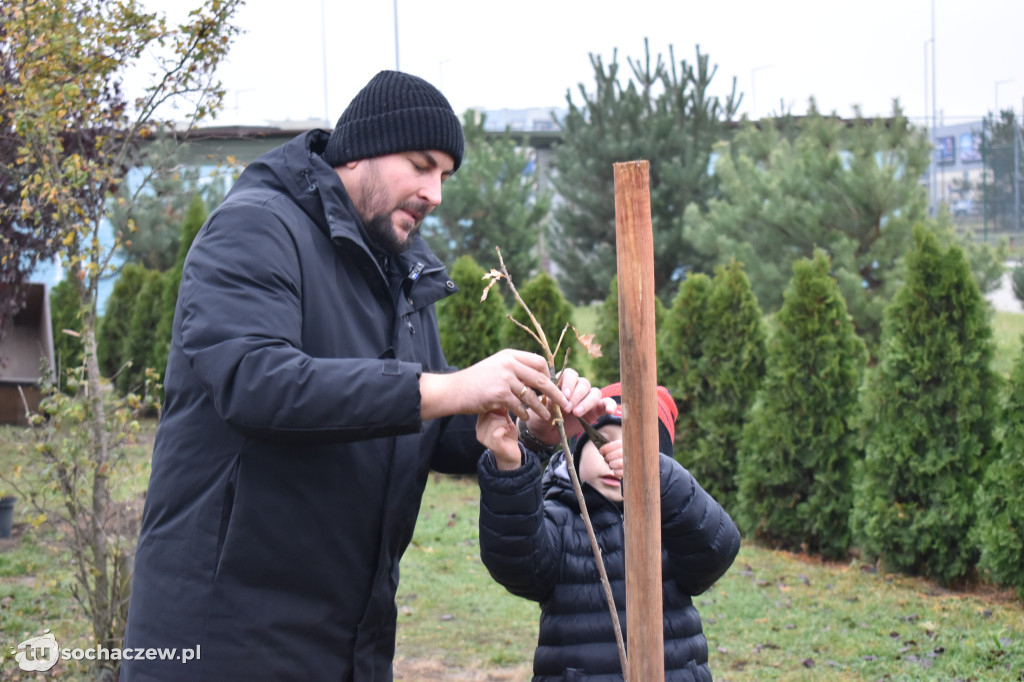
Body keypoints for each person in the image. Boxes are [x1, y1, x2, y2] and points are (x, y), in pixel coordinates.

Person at [120, 70, 606, 681]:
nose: (435, 193)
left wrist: (520, 423)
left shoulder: (401, 272)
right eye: (420, 164)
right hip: (225, 635)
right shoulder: (256, 229)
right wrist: (453, 387)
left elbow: (411, 420)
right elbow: (259, 384)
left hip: (351, 635)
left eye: (445, 177)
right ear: (361, 152)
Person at [476, 382, 742, 681]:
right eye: (603, 439)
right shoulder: (561, 516)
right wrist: (510, 470)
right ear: (576, 451)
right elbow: (517, 562)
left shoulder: (672, 525)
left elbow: (718, 547)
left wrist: (659, 478)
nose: (615, 454)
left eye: (637, 446)